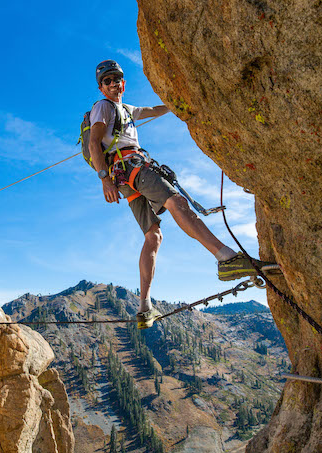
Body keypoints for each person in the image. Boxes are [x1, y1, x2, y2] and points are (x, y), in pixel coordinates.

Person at [88, 60, 274, 329]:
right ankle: (225, 258)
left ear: (123, 83)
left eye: (117, 79)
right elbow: (94, 142)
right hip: (131, 167)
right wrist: (103, 179)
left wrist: (179, 105)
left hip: (125, 178)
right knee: (176, 202)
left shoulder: (126, 110)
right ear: (101, 87)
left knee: (153, 235)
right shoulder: (103, 107)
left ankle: (144, 307)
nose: (113, 83)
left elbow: (152, 110)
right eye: (107, 81)